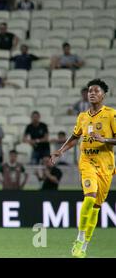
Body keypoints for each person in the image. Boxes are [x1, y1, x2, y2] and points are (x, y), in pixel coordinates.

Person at [50, 79, 115, 258]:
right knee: (89, 198)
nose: (92, 93)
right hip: (87, 162)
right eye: (89, 91)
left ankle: (84, 246)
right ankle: (79, 238)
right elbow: (75, 136)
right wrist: (60, 151)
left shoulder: (111, 114)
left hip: (106, 165)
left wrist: (105, 140)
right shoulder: (82, 116)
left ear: (103, 94)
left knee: (95, 207)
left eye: (96, 91)